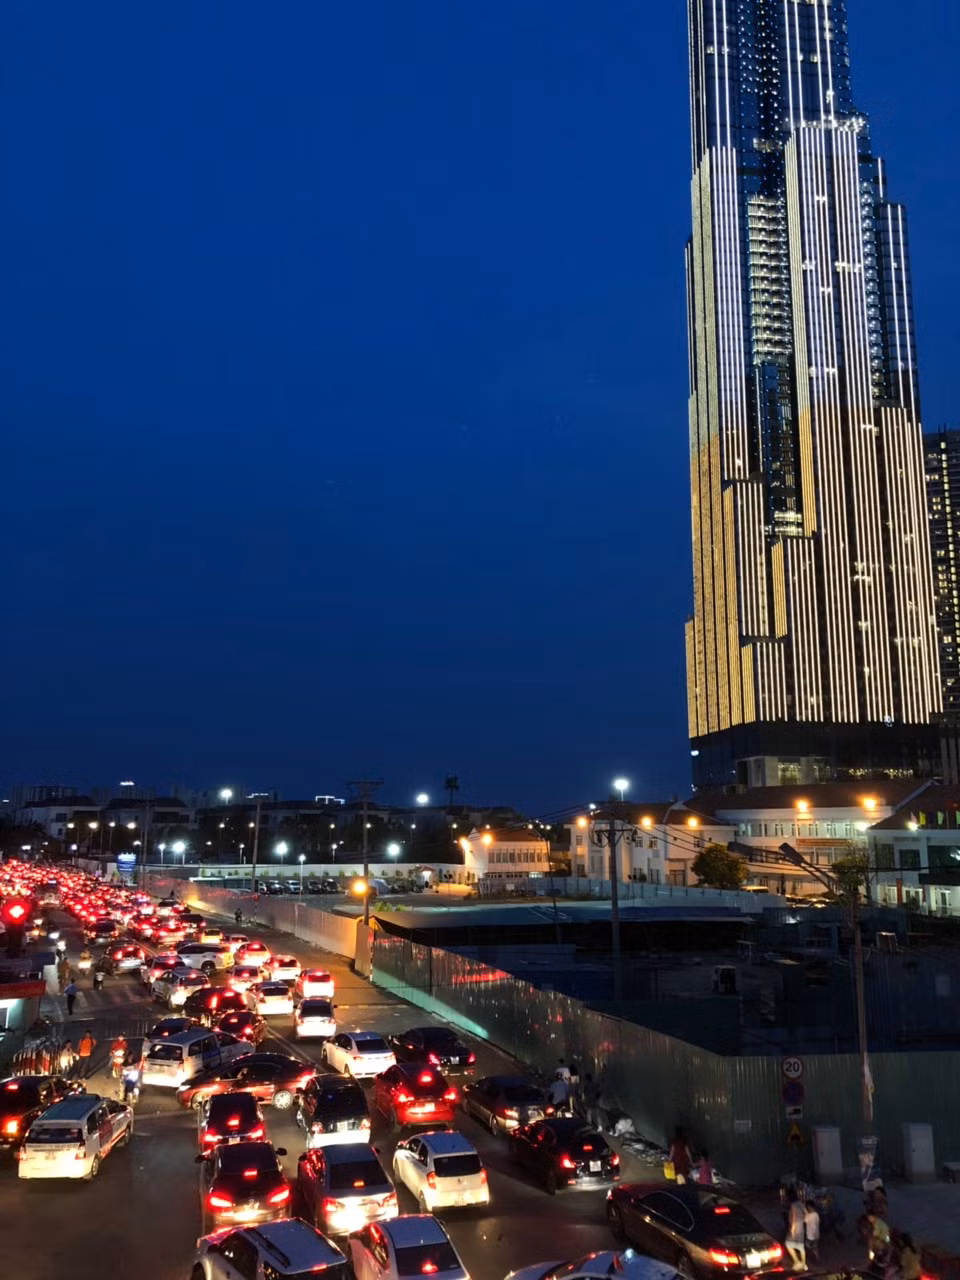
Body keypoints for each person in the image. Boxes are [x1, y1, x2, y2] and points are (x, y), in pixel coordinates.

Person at [785, 1194, 807, 1271]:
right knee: (801, 1246)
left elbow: (794, 1217)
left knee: (788, 1244)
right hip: (801, 1227)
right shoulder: (801, 1204)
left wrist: (792, 1229)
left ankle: (797, 1262)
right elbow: (806, 1214)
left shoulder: (793, 1205)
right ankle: (804, 1264)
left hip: (795, 1227)